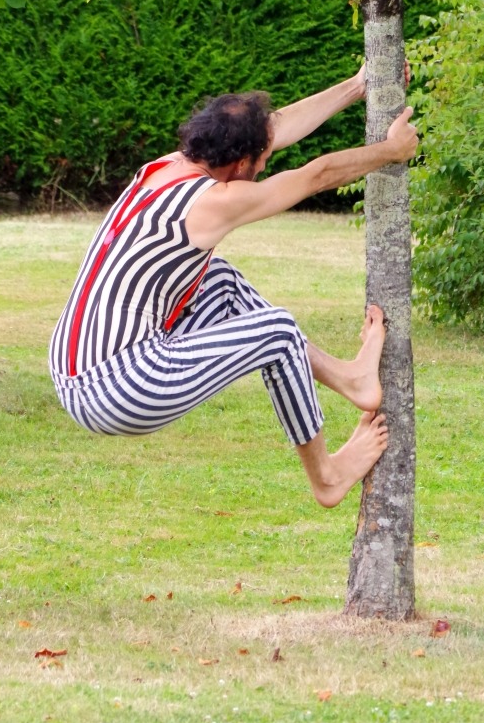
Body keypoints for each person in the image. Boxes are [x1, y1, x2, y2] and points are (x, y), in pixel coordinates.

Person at [48, 69, 418, 506]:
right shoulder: (212, 202)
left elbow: (276, 127)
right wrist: (391, 151)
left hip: (71, 373)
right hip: (118, 388)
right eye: (262, 161)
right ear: (241, 163)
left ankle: (351, 378)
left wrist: (359, 86)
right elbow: (316, 175)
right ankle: (327, 476)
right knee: (276, 332)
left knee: (219, 279)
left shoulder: (166, 168)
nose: (265, 166)